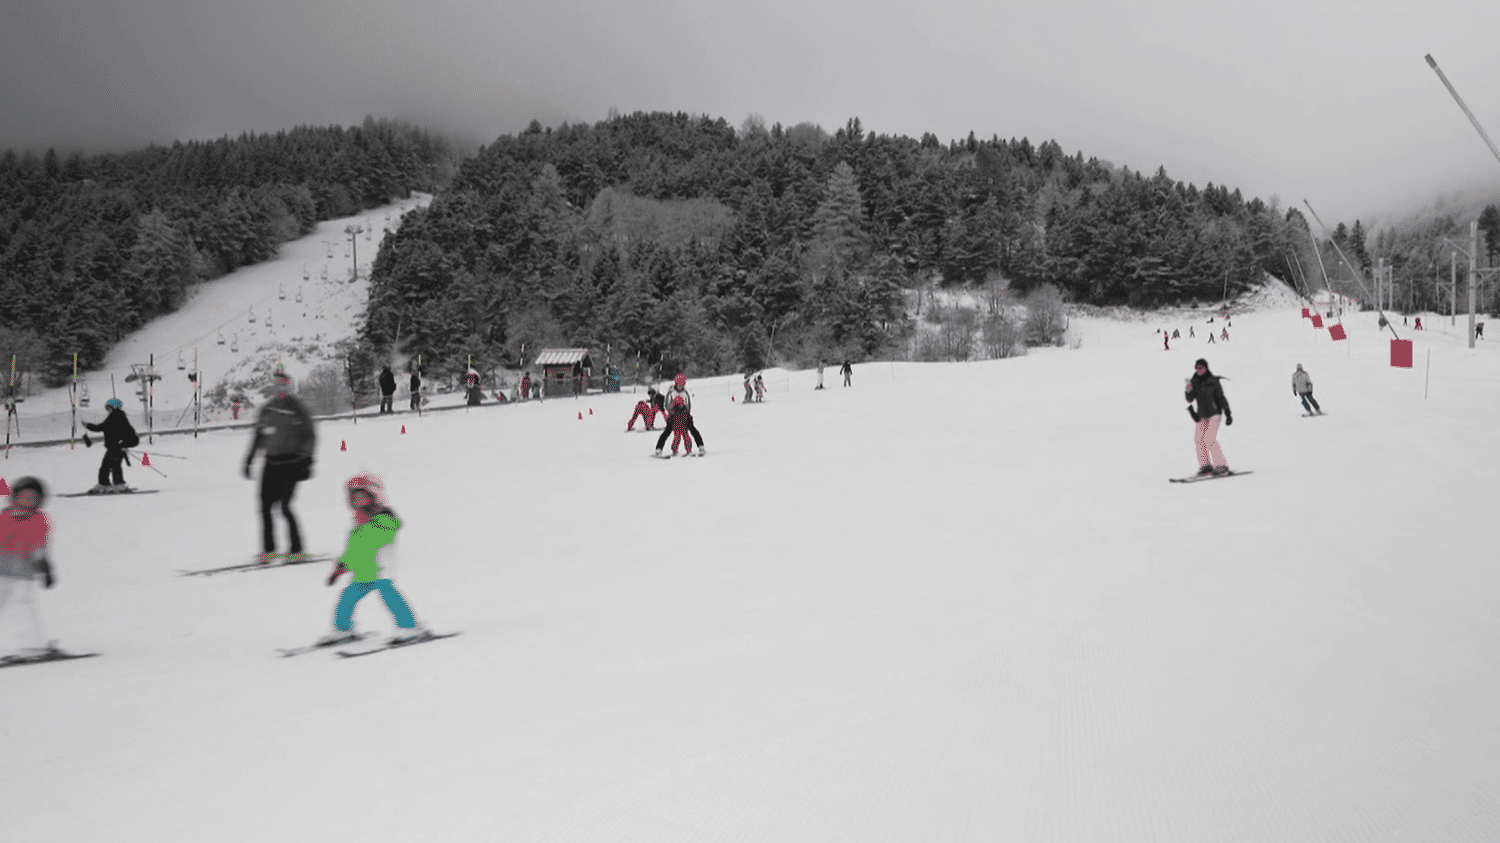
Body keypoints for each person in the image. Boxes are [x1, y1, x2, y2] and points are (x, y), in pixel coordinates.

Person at [317, 474, 427, 646]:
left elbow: (380, 537)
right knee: (346, 599)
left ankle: (410, 627)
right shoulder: (358, 524)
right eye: (355, 498)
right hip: (362, 573)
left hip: (381, 569)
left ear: (373, 496)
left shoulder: (384, 517)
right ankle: (342, 630)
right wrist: (340, 568)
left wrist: (367, 524)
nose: (359, 501)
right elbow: (352, 550)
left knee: (390, 598)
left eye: (363, 496)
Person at [244, 371, 317, 564]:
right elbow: (258, 437)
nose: (280, 389)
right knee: (264, 508)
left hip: (292, 464)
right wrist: (249, 460)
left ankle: (297, 549)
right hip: (271, 464)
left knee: (285, 506)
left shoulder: (298, 408)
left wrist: (307, 460)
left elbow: (310, 436)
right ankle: (269, 550)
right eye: (277, 385)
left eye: (283, 385)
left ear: (289, 387)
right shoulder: (267, 409)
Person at [0, 477, 57, 659]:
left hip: (24, 574)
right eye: (24, 497)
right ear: (14, 498)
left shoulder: (39, 520)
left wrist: (46, 569)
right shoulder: (4, 518)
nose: (28, 502)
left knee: (23, 607)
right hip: (2, 572)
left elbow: (40, 547)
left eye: (33, 498)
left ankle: (31, 647)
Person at [1185, 358, 1233, 476]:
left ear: (1206, 368)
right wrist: (1188, 390)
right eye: (1197, 368)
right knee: (1199, 439)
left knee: (1209, 438)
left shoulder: (1213, 381)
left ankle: (1221, 465)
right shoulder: (1194, 381)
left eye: (1201, 368)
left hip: (1215, 413)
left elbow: (1221, 397)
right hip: (1202, 414)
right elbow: (1189, 399)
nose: (1198, 370)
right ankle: (1205, 465)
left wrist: (1227, 413)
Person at [83, 397, 139, 493]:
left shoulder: (116, 415)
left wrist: (88, 425)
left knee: (112, 465)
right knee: (108, 465)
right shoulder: (117, 415)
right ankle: (107, 484)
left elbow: (101, 427)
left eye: (108, 408)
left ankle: (115, 484)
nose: (107, 410)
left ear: (114, 407)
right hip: (116, 446)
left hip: (117, 446)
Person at [655, 374, 705, 457]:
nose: (681, 386)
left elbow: (688, 404)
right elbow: (667, 405)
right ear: (676, 384)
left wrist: (686, 413)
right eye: (679, 385)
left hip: (684, 415)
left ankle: (701, 446)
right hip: (673, 416)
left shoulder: (685, 393)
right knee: (667, 432)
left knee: (692, 430)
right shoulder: (671, 393)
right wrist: (672, 412)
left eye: (682, 385)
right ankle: (658, 449)